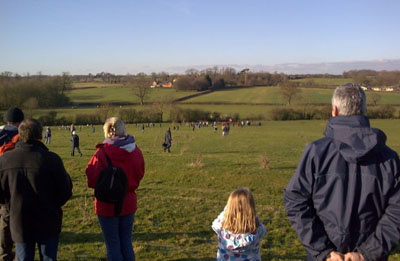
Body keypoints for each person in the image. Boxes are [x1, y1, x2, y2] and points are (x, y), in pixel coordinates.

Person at [284, 83, 400, 261]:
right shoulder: (389, 158)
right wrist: (367, 253)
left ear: (334, 111)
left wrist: (324, 251)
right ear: (364, 110)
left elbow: (295, 201)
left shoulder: (316, 152)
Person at [0, 119, 72, 261]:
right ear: (40, 135)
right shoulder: (52, 159)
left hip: (19, 219)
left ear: (19, 135)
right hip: (48, 219)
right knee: (49, 258)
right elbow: (65, 191)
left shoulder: (5, 160)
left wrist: (10, 206)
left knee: (23, 257)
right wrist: (54, 205)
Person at [86, 117, 145, 261]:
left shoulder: (101, 153)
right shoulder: (135, 151)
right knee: (126, 243)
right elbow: (140, 173)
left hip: (106, 204)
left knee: (112, 245)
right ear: (123, 129)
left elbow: (92, 178)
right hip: (128, 201)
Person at [212, 187, 266, 260]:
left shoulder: (221, 225)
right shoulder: (257, 228)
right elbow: (263, 230)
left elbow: (214, 225)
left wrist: (228, 209)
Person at [0, 107, 24, 261]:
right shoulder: (19, 135)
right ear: (20, 121)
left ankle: (4, 253)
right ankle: (21, 254)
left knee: (4, 218)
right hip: (15, 178)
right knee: (17, 219)